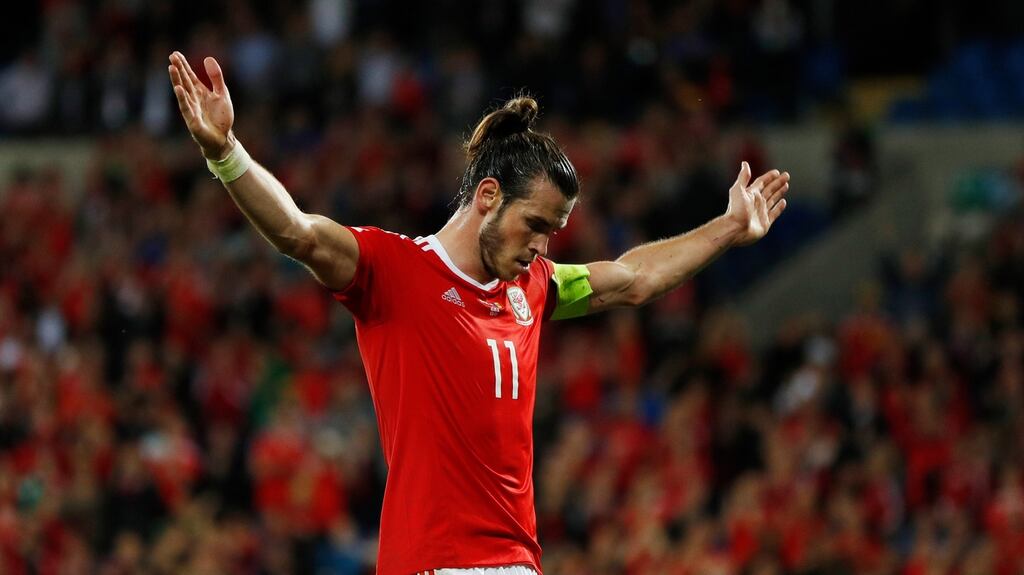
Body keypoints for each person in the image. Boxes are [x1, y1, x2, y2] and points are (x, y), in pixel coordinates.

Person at [168, 51, 790, 575]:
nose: (542, 245)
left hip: (516, 563)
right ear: (488, 196)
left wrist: (730, 228)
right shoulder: (394, 271)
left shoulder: (536, 287)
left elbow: (634, 279)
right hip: (435, 561)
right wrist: (226, 153)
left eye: (552, 232)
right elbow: (298, 232)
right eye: (535, 224)